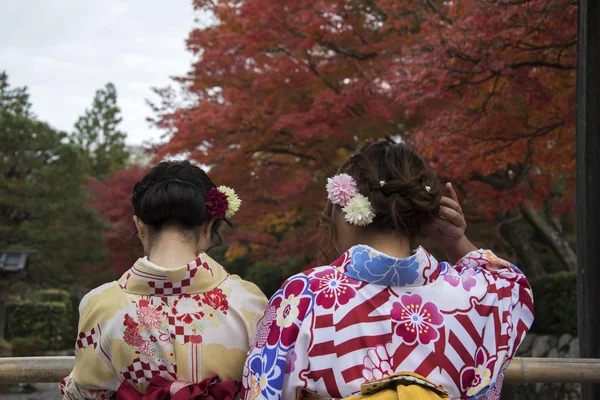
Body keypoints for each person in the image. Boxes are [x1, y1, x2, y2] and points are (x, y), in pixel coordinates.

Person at [241, 139, 534, 400]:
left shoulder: (305, 294)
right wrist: (457, 242)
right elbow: (513, 287)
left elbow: (262, 388)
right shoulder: (475, 295)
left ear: (347, 211)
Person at [60, 160, 268, 399]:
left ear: (139, 226)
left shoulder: (98, 304)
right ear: (209, 226)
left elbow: (85, 392)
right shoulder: (250, 302)